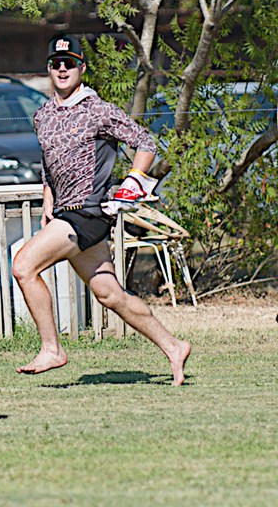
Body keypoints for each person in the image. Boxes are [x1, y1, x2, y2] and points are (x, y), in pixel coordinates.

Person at [11, 35, 191, 385]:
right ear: (49, 68)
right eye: (56, 63)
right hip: (65, 213)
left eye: (70, 62)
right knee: (109, 294)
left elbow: (146, 143)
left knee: (23, 266)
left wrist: (135, 180)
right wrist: (48, 203)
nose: (62, 68)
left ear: (82, 67)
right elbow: (49, 165)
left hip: (90, 212)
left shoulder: (98, 110)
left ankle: (52, 349)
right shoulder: (43, 115)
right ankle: (173, 346)